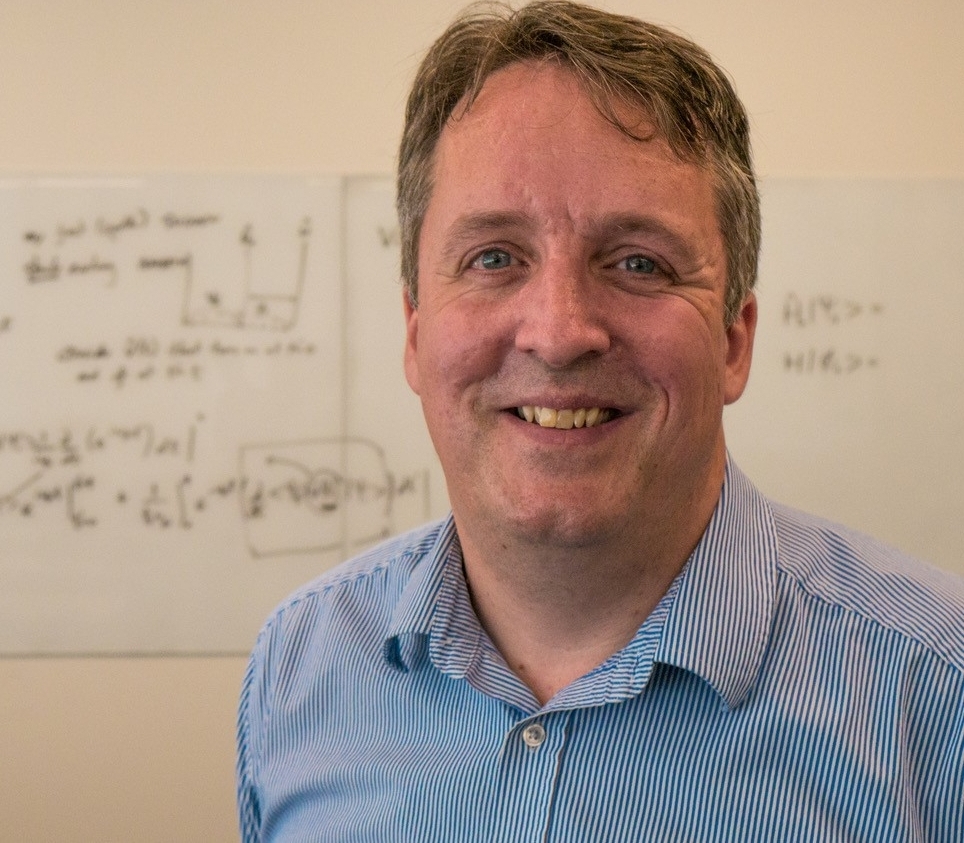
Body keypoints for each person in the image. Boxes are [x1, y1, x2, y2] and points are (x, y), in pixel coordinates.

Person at [236, 2, 964, 839]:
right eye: (493, 257)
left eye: (639, 262)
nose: (558, 333)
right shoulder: (299, 670)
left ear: (733, 340)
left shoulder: (938, 697)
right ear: (414, 330)